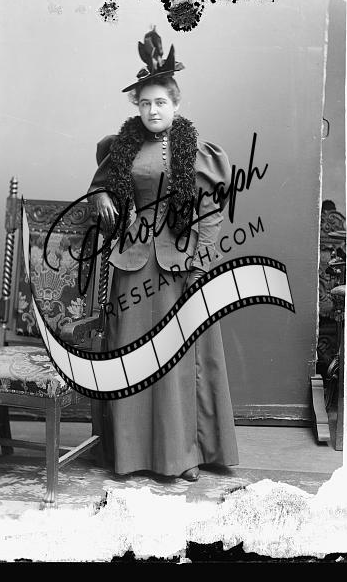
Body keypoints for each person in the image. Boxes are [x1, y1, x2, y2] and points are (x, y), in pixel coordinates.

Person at [87, 27, 239, 481]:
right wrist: (101, 196)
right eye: (144, 104)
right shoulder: (121, 148)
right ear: (136, 107)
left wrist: (200, 262)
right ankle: (131, 455)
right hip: (133, 263)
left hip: (180, 264)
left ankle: (182, 456)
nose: (152, 111)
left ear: (175, 105)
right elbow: (101, 186)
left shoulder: (197, 151)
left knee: (179, 358)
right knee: (132, 355)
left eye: (160, 103)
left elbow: (210, 213)